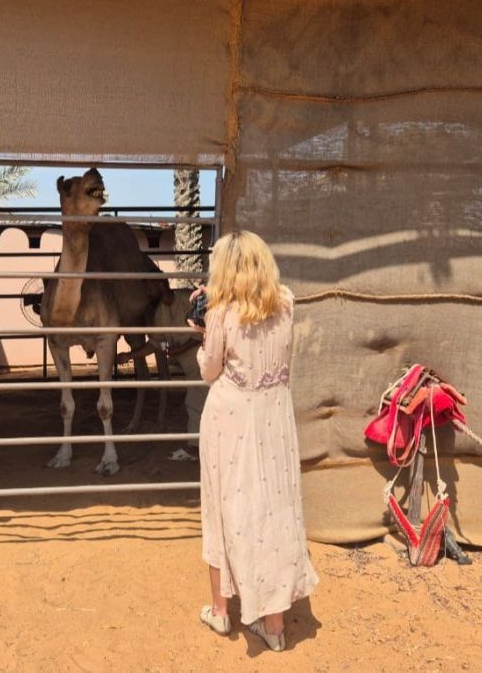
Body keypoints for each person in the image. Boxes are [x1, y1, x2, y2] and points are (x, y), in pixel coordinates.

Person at [187, 230, 318, 652]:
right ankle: (274, 624)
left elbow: (209, 370)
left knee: (223, 508)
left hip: (231, 419)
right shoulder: (287, 303)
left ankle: (220, 611)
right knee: (274, 510)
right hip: (274, 419)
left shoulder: (221, 313)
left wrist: (201, 325)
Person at [115, 288, 208, 459]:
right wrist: (130, 355)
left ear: (160, 285)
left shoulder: (187, 299)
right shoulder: (160, 313)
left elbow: (201, 334)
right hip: (191, 366)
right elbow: (157, 343)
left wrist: (178, 348)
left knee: (196, 402)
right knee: (199, 402)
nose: (148, 292)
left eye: (150, 286)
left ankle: (198, 447)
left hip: (201, 362)